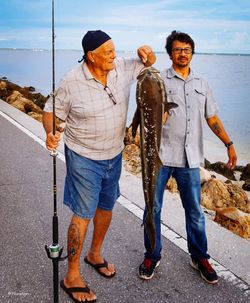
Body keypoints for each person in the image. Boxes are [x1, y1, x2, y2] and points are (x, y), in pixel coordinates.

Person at [43, 30, 156, 302]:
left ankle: (94, 253)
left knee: (106, 208)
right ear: (91, 56)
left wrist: (148, 52)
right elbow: (50, 111)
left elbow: (149, 62)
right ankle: (71, 275)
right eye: (107, 52)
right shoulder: (71, 81)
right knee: (83, 213)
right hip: (83, 157)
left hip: (114, 155)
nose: (113, 56)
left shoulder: (121, 67)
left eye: (114, 50)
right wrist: (50, 132)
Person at [138, 30, 237, 284]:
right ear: (170, 53)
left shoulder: (201, 83)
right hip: (161, 157)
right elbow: (149, 116)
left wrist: (229, 143)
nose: (183, 54)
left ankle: (200, 256)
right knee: (153, 207)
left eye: (187, 49)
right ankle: (152, 254)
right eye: (178, 49)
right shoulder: (158, 80)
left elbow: (212, 117)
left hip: (191, 159)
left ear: (192, 52)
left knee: (194, 211)